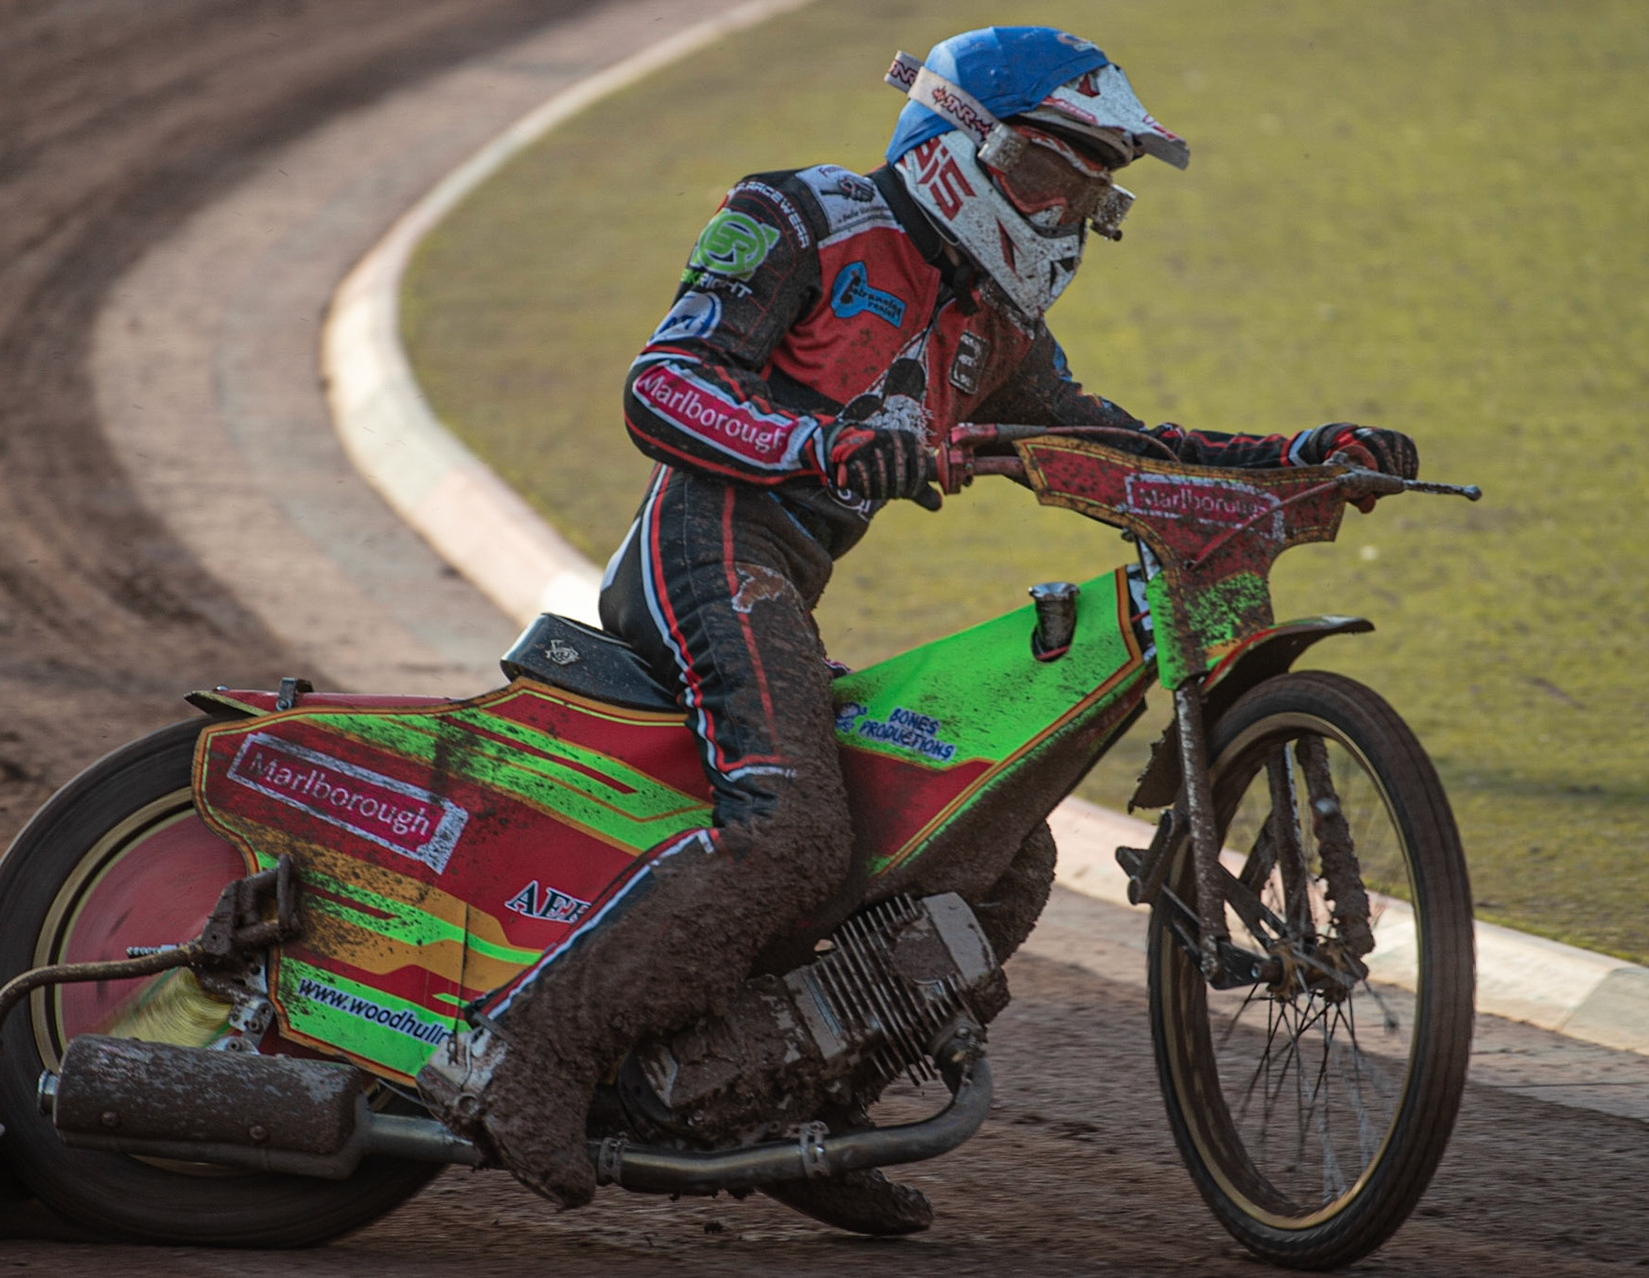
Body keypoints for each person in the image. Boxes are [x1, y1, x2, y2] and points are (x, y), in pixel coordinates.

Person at [419, 25, 1419, 1229]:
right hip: (707, 545)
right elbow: (662, 385)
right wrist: (820, 442)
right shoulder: (805, 214)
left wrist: (1296, 455)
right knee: (792, 831)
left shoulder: (997, 326)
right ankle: (525, 1051)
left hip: (778, 583)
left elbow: (1119, 444)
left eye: (1087, 197)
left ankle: (792, 1109)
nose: (1061, 214)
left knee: (1003, 847)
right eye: (1045, 177)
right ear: (957, 146)